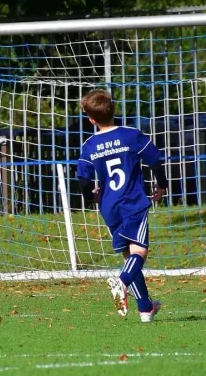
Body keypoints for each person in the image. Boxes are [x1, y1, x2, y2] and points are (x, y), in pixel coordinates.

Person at [76, 89, 167, 322]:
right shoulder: (130, 135)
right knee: (140, 252)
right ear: (113, 110)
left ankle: (146, 309)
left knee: (129, 257)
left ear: (91, 119)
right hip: (133, 201)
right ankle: (121, 282)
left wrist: (90, 196)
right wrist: (162, 185)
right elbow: (155, 159)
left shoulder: (90, 144)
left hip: (109, 206)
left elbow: (83, 179)